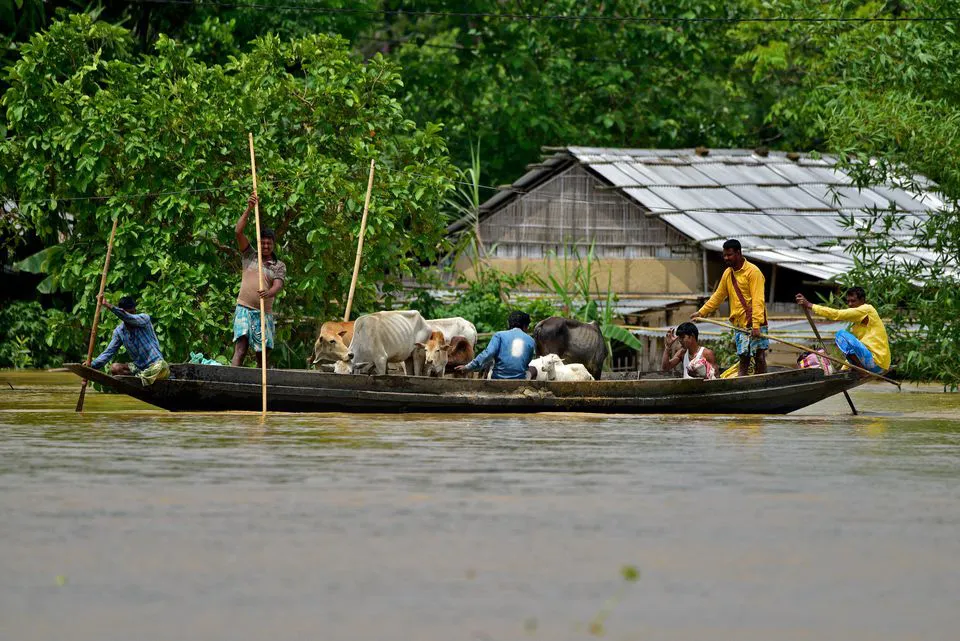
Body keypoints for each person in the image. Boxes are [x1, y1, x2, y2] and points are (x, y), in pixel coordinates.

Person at [691, 238, 768, 376]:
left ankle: (762, 383)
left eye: (729, 255)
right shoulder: (728, 273)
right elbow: (718, 296)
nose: (726, 258)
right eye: (724, 255)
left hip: (755, 323)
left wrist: (756, 325)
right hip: (739, 324)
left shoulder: (753, 272)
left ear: (738, 253)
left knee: (759, 357)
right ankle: (743, 384)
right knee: (744, 357)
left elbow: (758, 300)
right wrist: (701, 312)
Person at [232, 193, 286, 368]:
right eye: (262, 243)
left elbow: (278, 285)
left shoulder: (278, 265)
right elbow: (238, 231)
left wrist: (268, 293)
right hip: (243, 309)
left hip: (263, 313)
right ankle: (232, 381)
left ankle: (260, 387)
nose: (265, 246)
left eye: (268, 243)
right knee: (240, 348)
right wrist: (249, 209)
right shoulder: (249, 255)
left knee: (262, 355)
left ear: (273, 244)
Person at [795, 287, 890, 374]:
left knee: (841, 335)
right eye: (848, 301)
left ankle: (861, 370)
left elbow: (837, 314)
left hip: (876, 362)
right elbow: (852, 351)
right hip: (879, 364)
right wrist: (843, 369)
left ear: (862, 300)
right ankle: (859, 369)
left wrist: (809, 305)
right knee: (846, 339)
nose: (850, 304)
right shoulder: (857, 324)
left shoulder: (866, 309)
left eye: (853, 301)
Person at [90, 295, 170, 385]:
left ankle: (140, 379)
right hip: (139, 368)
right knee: (115, 368)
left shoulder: (144, 319)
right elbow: (108, 352)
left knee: (162, 367)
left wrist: (107, 305)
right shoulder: (119, 331)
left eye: (133, 312)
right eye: (128, 313)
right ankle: (140, 379)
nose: (131, 315)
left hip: (156, 365)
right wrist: (91, 364)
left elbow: (128, 317)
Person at [456, 311, 536, 380]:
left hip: (498, 378)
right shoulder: (531, 340)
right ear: (525, 326)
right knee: (533, 369)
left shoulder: (499, 335)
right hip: (520, 380)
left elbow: (488, 354)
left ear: (509, 324)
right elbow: (526, 362)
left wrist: (468, 367)